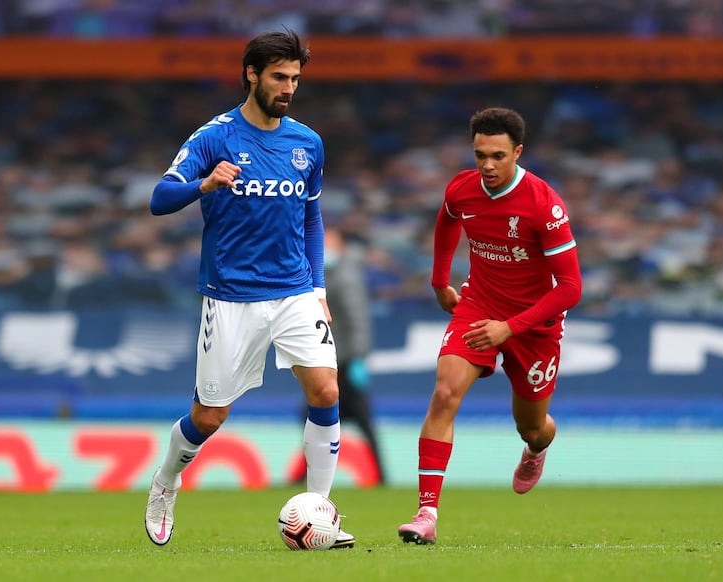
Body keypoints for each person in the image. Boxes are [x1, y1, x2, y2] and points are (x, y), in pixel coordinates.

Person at [144, 29, 354, 549]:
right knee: (209, 416)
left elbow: (311, 218)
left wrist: (319, 285)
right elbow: (159, 198)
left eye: (296, 79)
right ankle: (166, 480)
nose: (288, 87)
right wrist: (205, 185)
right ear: (252, 75)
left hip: (295, 291)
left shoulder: (307, 143)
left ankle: (320, 512)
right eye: (279, 77)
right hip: (231, 295)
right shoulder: (214, 137)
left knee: (327, 392)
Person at [397, 107, 583, 545]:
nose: (487, 165)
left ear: (518, 152)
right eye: (480, 154)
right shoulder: (463, 189)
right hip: (478, 305)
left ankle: (536, 449)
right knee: (444, 394)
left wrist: (510, 328)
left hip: (534, 323)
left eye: (498, 155)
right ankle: (426, 513)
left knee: (532, 426)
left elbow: (571, 287)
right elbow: (446, 220)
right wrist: (440, 279)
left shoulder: (544, 205)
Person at [290, 226, 386, 485]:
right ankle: (379, 475)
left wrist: (357, 358)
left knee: (322, 414)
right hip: (334, 357)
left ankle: (378, 475)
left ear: (341, 247)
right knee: (333, 417)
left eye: (329, 243)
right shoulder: (332, 273)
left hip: (343, 361)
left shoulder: (346, 276)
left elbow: (358, 320)